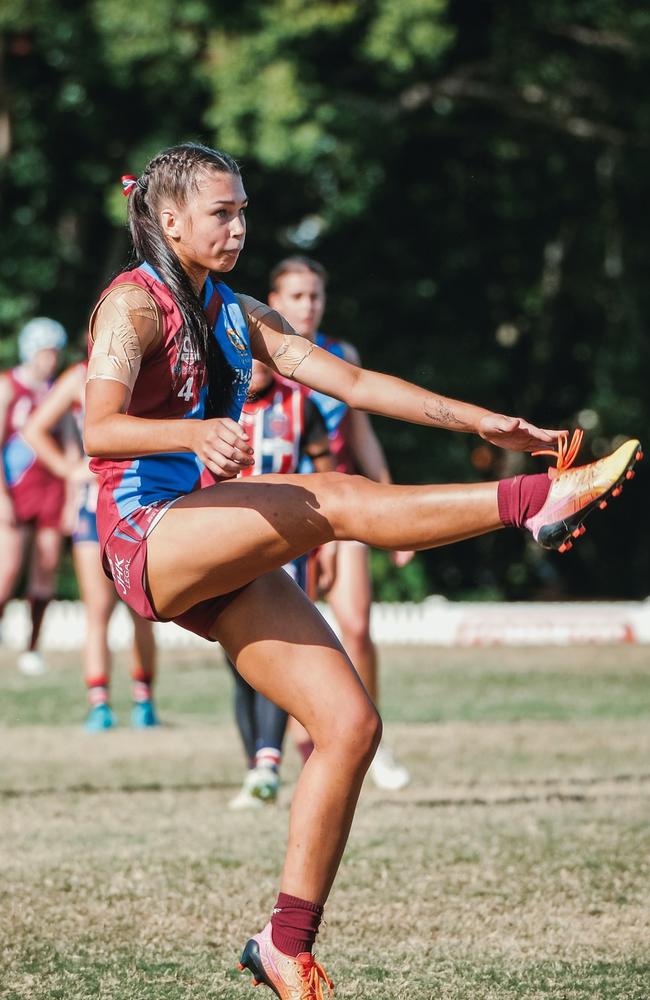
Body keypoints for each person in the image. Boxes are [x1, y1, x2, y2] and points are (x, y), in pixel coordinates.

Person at [84, 143, 640, 998]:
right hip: (144, 535)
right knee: (332, 498)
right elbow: (100, 431)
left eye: (243, 210)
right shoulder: (131, 305)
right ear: (167, 220)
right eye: (221, 213)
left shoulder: (239, 312)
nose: (239, 226)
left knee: (348, 727)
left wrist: (482, 422)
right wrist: (192, 435)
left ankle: (283, 944)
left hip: (206, 539)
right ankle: (535, 502)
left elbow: (352, 380)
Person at [268, 255, 415, 791]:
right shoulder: (260, 353)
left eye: (316, 296)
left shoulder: (342, 354)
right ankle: (293, 747)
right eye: (298, 296)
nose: (309, 305)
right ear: (276, 301)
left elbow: (363, 438)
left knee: (354, 624)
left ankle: (373, 743)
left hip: (344, 507)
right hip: (282, 511)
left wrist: (396, 512)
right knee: (289, 638)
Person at [22, 360, 160, 730]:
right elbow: (33, 429)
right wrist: (70, 471)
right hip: (92, 508)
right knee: (97, 611)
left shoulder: (149, 369)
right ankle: (99, 704)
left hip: (140, 505)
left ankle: (144, 699)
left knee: (142, 610)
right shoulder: (79, 376)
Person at [228, 357, 336, 809]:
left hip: (287, 541)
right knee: (239, 663)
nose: (256, 362)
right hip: (226, 540)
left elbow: (327, 470)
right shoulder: (215, 401)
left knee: (276, 651)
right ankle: (258, 765)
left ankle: (268, 766)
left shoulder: (301, 404)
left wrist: (328, 542)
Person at [0, 318, 67, 675]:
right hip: (15, 491)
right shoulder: (8, 387)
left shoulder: (57, 391)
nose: (50, 360)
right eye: (45, 353)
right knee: (7, 569)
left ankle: (32, 647)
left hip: (50, 492)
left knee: (47, 566)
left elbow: (71, 445)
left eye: (54, 353)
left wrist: (72, 490)